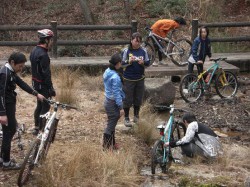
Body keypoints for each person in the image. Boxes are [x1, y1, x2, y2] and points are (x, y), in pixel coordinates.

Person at [0, 52, 45, 170]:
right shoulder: (4, 74)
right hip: (5, 107)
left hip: (9, 106)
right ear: (12, 62)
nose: (21, 69)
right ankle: (6, 163)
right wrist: (2, 114)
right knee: (8, 132)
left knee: (10, 130)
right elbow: (1, 95)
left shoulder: (11, 71)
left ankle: (2, 158)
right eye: (19, 66)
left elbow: (21, 83)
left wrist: (36, 94)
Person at [30, 29, 56, 135]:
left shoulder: (34, 50)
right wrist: (51, 88)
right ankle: (41, 130)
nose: (52, 42)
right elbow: (46, 74)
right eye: (51, 40)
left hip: (35, 83)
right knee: (45, 106)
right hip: (42, 84)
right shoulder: (43, 55)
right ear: (46, 40)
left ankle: (36, 127)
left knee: (39, 105)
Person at [121, 32, 150, 127]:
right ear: (131, 40)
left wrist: (143, 63)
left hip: (140, 78)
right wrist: (128, 61)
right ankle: (126, 118)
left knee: (138, 98)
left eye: (139, 41)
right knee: (128, 98)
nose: (138, 43)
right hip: (128, 78)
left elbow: (147, 63)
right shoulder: (126, 51)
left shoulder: (143, 51)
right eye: (136, 41)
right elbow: (121, 63)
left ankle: (136, 116)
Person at [103, 53, 125, 150]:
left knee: (112, 124)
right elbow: (116, 93)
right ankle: (106, 148)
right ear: (117, 64)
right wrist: (121, 107)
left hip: (107, 100)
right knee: (110, 125)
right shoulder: (115, 77)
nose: (121, 64)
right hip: (113, 103)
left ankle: (113, 144)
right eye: (120, 63)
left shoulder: (107, 71)